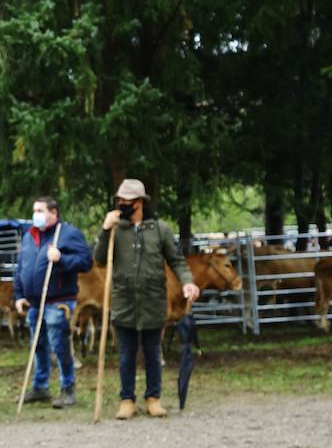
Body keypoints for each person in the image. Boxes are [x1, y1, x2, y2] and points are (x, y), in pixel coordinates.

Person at [95, 180, 199, 420]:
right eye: (119, 201)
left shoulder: (159, 229)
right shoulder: (115, 229)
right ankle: (126, 399)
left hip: (153, 299)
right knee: (126, 353)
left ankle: (153, 397)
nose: (122, 205)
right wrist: (104, 230)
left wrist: (188, 281)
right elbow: (99, 259)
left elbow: (177, 260)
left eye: (127, 202)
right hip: (124, 301)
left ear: (140, 202)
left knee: (152, 351)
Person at [12, 197, 93, 408]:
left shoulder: (67, 234)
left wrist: (62, 259)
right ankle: (40, 387)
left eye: (40, 210)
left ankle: (68, 388)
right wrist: (19, 295)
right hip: (34, 302)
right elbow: (21, 267)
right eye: (34, 210)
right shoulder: (30, 236)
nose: (35, 214)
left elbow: (86, 262)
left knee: (60, 346)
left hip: (58, 301)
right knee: (37, 345)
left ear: (53, 213)